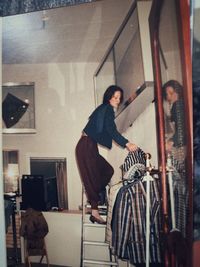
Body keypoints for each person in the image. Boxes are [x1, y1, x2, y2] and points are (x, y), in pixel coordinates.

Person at [76, 85, 138, 224]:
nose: (117, 100)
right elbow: (111, 130)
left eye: (119, 98)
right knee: (91, 177)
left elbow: (108, 128)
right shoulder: (107, 109)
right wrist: (127, 143)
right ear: (109, 97)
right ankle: (95, 211)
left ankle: (95, 197)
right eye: (115, 97)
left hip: (88, 145)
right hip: (86, 145)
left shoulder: (104, 110)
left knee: (107, 170)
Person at [162, 80, 186, 152]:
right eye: (168, 93)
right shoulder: (182, 103)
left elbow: (182, 128)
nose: (170, 96)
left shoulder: (177, 105)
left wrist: (171, 142)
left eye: (171, 93)